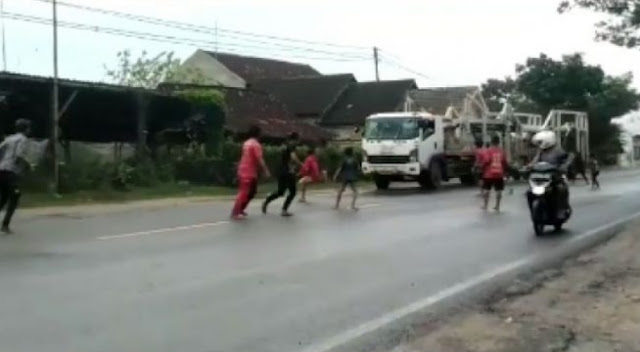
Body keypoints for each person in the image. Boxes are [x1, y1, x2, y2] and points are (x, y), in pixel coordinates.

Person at [529, 130, 574, 217]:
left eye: (540, 142)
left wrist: (564, 166)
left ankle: (561, 210)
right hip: (541, 178)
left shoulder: (558, 151)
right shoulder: (541, 153)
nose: (539, 144)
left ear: (547, 140)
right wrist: (528, 166)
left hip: (555, 178)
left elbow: (569, 158)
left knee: (561, 189)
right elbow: (534, 162)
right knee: (529, 192)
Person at [231, 125, 270, 220]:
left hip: (246, 170)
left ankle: (240, 209)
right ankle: (235, 212)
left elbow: (244, 157)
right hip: (248, 172)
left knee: (252, 191)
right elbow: (259, 158)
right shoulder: (256, 145)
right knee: (244, 192)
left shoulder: (246, 143)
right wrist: (266, 170)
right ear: (258, 134)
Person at [0, 119, 32, 234]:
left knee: (3, 198)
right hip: (11, 172)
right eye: (29, 128)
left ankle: (5, 225)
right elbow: (19, 155)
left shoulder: (9, 138)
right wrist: (28, 165)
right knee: (14, 197)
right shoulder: (23, 139)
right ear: (26, 129)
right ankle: (5, 225)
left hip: (1, 169)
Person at [262, 132, 302, 217]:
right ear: (295, 139)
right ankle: (284, 210)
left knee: (281, 192)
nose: (298, 142)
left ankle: (267, 201)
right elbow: (293, 157)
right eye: (298, 140)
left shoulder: (285, 145)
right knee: (293, 192)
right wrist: (301, 164)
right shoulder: (291, 146)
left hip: (281, 170)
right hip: (287, 171)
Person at [481, 135, 508, 212]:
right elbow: (504, 163)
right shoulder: (502, 151)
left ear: (491, 142)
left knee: (486, 189)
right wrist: (505, 172)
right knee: (499, 190)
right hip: (499, 173)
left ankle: (485, 205)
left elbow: (486, 161)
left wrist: (482, 168)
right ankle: (497, 206)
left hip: (489, 173)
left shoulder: (488, 151)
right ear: (498, 142)